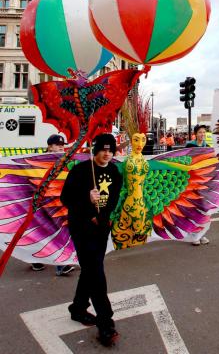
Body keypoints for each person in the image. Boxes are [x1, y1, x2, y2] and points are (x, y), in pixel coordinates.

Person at [60, 133, 123, 347]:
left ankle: (78, 308)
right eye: (103, 149)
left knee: (90, 269)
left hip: (101, 228)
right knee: (96, 272)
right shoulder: (80, 171)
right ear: (95, 150)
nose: (107, 153)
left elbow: (113, 199)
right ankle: (106, 323)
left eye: (110, 150)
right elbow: (65, 199)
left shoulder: (114, 171)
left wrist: (101, 217)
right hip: (81, 227)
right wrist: (87, 201)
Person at [31, 134, 74, 276]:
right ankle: (35, 258)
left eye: (62, 144)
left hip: (60, 201)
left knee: (60, 231)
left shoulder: (65, 160)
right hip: (43, 203)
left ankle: (62, 264)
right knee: (41, 232)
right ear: (49, 146)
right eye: (57, 144)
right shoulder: (38, 160)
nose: (61, 146)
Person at [186, 125, 209, 245]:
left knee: (204, 209)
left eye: (204, 132)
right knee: (194, 208)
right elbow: (185, 160)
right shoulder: (190, 145)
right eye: (200, 132)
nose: (202, 134)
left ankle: (201, 234)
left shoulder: (208, 147)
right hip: (192, 181)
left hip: (204, 181)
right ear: (195, 134)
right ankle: (194, 235)